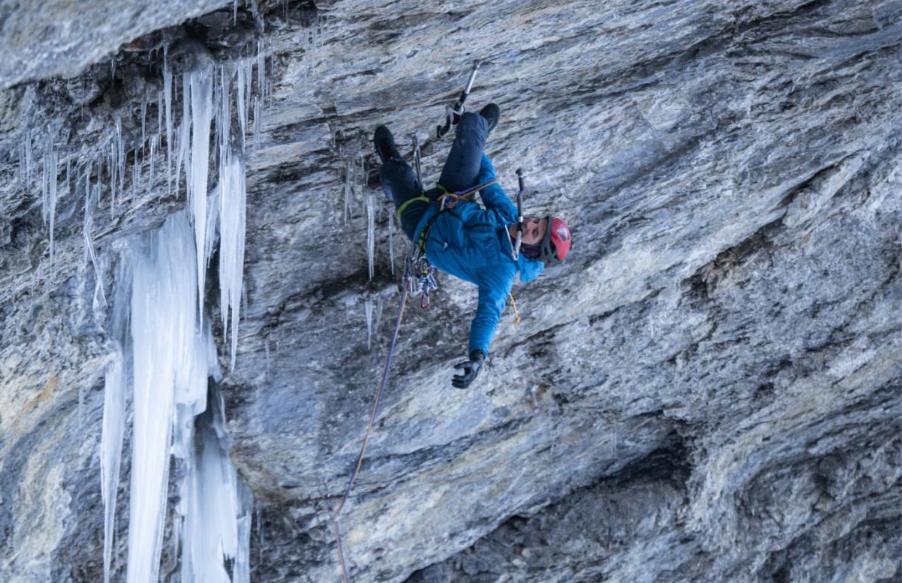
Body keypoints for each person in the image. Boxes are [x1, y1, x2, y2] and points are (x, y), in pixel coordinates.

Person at [374, 104, 572, 389]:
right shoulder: (508, 215)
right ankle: (478, 129)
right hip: (452, 198)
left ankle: (389, 158)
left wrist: (477, 356)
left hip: (423, 225)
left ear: (531, 250)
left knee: (399, 174)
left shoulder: (501, 271)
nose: (529, 225)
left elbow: (488, 314)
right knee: (471, 130)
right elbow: (488, 184)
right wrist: (476, 147)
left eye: (535, 233)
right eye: (537, 222)